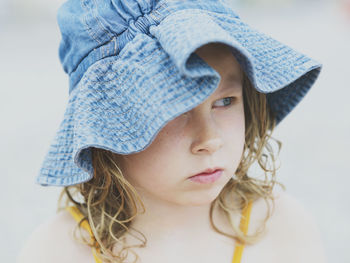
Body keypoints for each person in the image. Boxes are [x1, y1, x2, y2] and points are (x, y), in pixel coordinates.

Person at [17, 0, 327, 262]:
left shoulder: (280, 226)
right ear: (107, 125)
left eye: (225, 101)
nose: (210, 139)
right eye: (174, 109)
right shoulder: (60, 251)